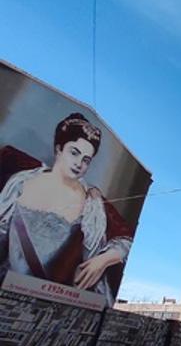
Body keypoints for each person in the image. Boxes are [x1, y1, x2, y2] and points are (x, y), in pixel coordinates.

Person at [0, 112, 133, 304]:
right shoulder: (22, 182)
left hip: (54, 300)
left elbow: (125, 240)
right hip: (8, 288)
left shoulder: (93, 203)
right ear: (59, 149)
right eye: (74, 152)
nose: (79, 163)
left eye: (86, 160)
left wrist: (104, 259)